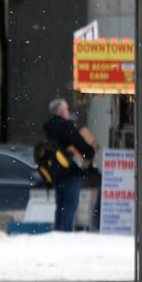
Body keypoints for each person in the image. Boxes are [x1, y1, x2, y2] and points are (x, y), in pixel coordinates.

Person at [43, 97, 97, 231]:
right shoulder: (65, 126)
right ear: (61, 111)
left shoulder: (50, 127)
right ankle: (64, 236)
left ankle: (58, 233)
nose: (68, 111)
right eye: (66, 109)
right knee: (69, 206)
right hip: (70, 171)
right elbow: (79, 143)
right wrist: (90, 152)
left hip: (56, 172)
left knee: (61, 205)